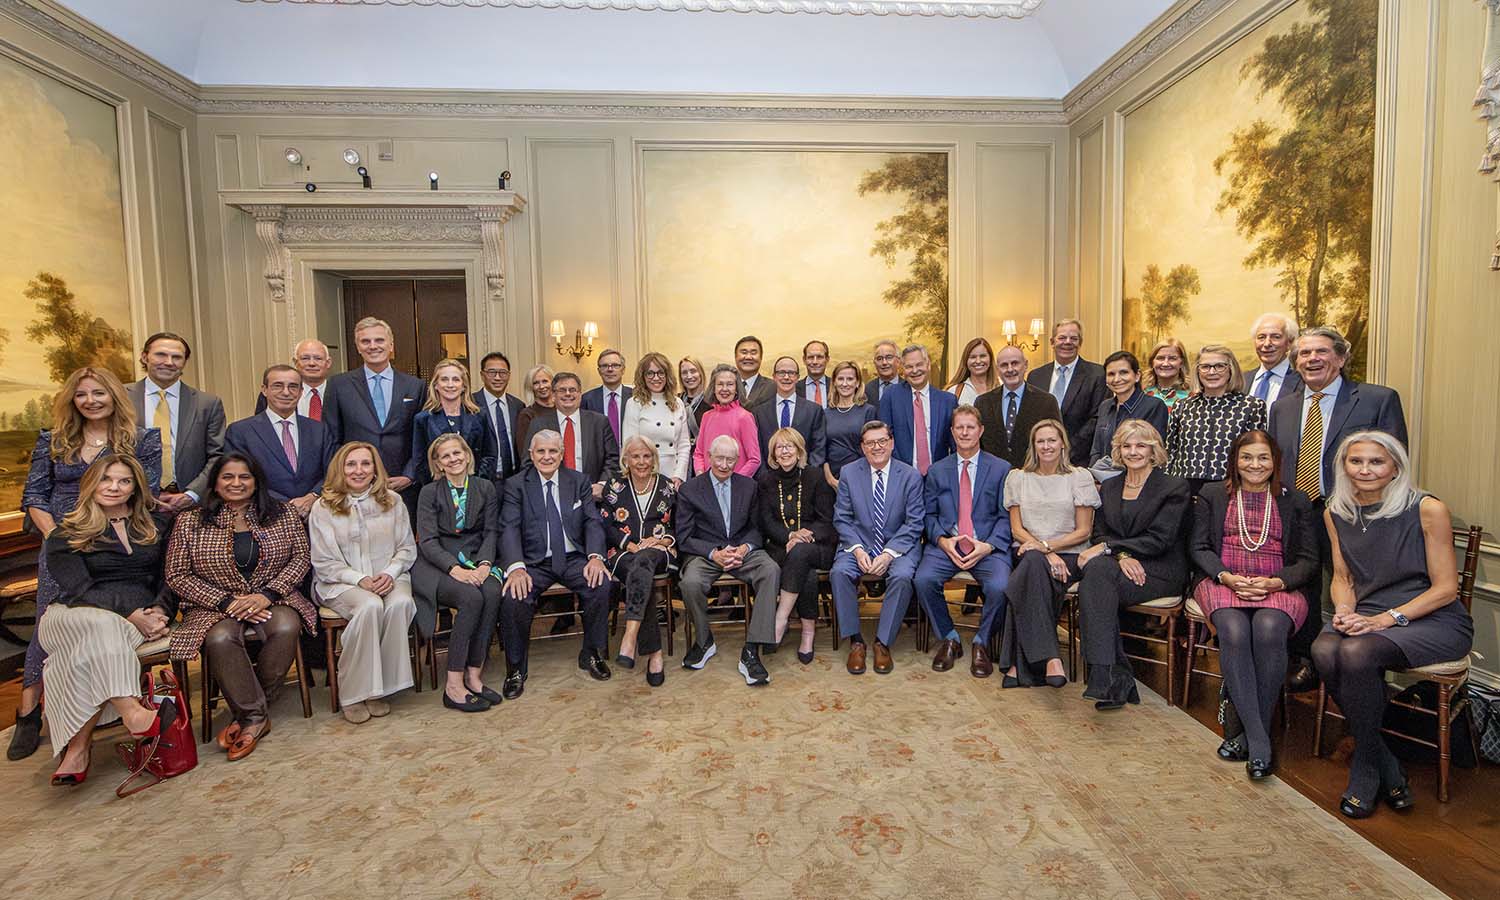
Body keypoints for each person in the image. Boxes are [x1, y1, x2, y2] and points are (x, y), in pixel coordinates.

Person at [1312, 431, 1471, 818]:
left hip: (1432, 618)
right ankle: (1386, 762)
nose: (1365, 470)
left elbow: (1447, 589)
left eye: (1376, 462)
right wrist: (1347, 611)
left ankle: (1365, 769)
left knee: (1354, 651)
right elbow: (1343, 577)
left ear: (1395, 467)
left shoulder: (1427, 508)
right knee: (1321, 648)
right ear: (1343, 466)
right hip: (1369, 614)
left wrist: (1384, 619)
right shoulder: (1335, 512)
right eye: (1356, 461)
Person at [10, 366, 162, 762]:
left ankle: (75, 746)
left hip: (118, 543)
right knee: (53, 622)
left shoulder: (140, 440)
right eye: (82, 395)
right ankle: (28, 709)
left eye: (99, 393)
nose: (91, 401)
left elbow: (147, 493)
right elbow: (35, 495)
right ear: (72, 400)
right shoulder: (55, 440)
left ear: (114, 396)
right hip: (65, 536)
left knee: (84, 637)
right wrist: (61, 539)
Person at [1270, 326, 1408, 689]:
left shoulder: (1377, 399)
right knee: (1305, 585)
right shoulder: (1282, 407)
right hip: (1300, 512)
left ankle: (1363, 665)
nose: (1312, 359)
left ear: (1342, 358)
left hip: (1357, 514)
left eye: (1321, 352)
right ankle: (1310, 660)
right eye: (1303, 354)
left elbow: (1395, 460)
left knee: (1360, 586)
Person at [166, 453, 317, 761]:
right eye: (228, 477)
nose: (236, 483)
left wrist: (267, 594)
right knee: (220, 638)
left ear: (256, 481)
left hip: (273, 598)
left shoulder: (282, 513)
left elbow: (301, 558)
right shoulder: (189, 521)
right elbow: (177, 574)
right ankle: (255, 716)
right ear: (215, 483)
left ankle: (249, 711)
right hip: (213, 604)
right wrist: (227, 602)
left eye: (244, 477)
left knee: (287, 626)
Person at [35, 455, 176, 786]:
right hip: (69, 618)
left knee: (87, 652)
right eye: (106, 479)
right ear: (90, 485)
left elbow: (169, 576)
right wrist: (132, 616)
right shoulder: (64, 533)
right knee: (102, 625)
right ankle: (132, 711)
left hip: (129, 623)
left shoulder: (155, 524)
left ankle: (78, 749)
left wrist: (161, 610)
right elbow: (80, 589)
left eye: (124, 481)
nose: (114, 487)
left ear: (135, 487)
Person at [1190, 430, 1318, 777]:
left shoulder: (1297, 500)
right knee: (1231, 629)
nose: (1254, 465)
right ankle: (1261, 741)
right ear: (1235, 460)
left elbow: (1308, 560)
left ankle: (1246, 734)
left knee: (1268, 627)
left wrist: (1276, 582)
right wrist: (1226, 577)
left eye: (1263, 458)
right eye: (1246, 457)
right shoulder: (1213, 494)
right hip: (1224, 580)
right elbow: (1199, 548)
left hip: (1277, 583)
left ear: (1276, 462)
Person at [1076, 421, 1190, 710]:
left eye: (1140, 445)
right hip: (1122, 566)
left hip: (1160, 569)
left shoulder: (1173, 487)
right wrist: (1122, 556)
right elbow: (1100, 532)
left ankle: (1107, 673)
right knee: (1097, 573)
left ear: (1154, 450)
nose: (1133, 451)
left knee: (1096, 579)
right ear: (1118, 450)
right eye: (1126, 446)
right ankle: (1109, 672)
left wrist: (1111, 548)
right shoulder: (1111, 486)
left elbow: (1161, 539)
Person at [308, 442, 418, 724]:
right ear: (340, 469)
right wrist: (361, 580)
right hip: (341, 582)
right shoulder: (323, 507)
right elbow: (324, 562)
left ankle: (381, 686)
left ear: (375, 469)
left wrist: (390, 573)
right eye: (351, 464)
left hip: (389, 576)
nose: (359, 470)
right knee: (369, 606)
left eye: (365, 464)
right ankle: (354, 692)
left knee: (402, 603)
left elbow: (406, 548)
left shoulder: (393, 501)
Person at [500, 430, 614, 696]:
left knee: (601, 585)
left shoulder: (578, 481)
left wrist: (596, 557)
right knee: (514, 597)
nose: (547, 456)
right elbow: (509, 528)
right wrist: (516, 567)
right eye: (541, 451)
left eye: (553, 451)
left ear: (562, 454)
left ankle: (592, 653)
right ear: (531, 454)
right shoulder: (517, 485)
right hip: (534, 562)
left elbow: (592, 522)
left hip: (574, 557)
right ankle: (516, 668)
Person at [997, 419, 1099, 688]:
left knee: (1025, 576)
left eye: (1052, 440)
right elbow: (1017, 529)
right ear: (1033, 445)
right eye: (1040, 441)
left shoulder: (1079, 477)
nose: (1046, 446)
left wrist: (1048, 549)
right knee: (1031, 564)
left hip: (1070, 555)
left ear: (1063, 443)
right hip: (1031, 550)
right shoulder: (1018, 477)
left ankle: (1019, 665)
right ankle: (1050, 657)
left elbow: (1084, 531)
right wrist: (1044, 552)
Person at [914, 406, 1013, 677]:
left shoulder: (1001, 469)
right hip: (947, 545)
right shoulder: (937, 470)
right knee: (922, 580)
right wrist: (942, 541)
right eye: (960, 427)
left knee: (1001, 586)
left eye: (970, 427)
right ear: (952, 432)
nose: (965, 432)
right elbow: (928, 514)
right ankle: (949, 637)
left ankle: (982, 642)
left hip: (987, 547)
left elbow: (1007, 517)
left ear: (980, 430)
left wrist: (989, 546)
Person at [674, 435, 780, 685]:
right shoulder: (690, 489)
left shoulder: (749, 486)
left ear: (737, 460)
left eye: (730, 459)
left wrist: (745, 547)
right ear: (709, 457)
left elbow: (758, 528)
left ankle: (752, 649)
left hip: (743, 552)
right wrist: (714, 553)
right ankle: (703, 640)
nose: (724, 464)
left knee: (771, 570)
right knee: (689, 583)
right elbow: (684, 536)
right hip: (706, 553)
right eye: (719, 458)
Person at [410, 434, 504, 711]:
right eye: (445, 456)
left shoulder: (485, 487)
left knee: (491, 591)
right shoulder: (428, 492)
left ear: (467, 455)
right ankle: (453, 686)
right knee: (471, 598)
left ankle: (474, 675)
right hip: (436, 563)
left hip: (476, 558)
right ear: (438, 464)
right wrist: (453, 569)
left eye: (457, 453)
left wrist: (486, 563)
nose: (453, 459)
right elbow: (426, 541)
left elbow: (491, 532)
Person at [830, 420, 924, 675]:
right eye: (870, 443)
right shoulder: (849, 473)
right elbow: (842, 518)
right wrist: (859, 550)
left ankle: (883, 642)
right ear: (862, 447)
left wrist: (888, 553)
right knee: (839, 573)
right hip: (858, 544)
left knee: (903, 576)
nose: (877, 447)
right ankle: (856, 641)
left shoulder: (911, 475)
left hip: (898, 546)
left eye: (882, 441)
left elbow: (915, 523)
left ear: (892, 443)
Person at [598, 436, 676, 687]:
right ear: (626, 459)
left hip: (659, 551)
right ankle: (654, 653)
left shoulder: (666, 486)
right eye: (635, 456)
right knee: (640, 573)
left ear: (653, 459)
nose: (641, 461)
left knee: (643, 564)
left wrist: (662, 542)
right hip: (623, 553)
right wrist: (630, 544)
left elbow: (679, 526)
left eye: (646, 456)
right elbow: (606, 525)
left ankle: (629, 637)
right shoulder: (614, 486)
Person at [321, 317, 425, 506]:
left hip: (402, 486)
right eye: (365, 341)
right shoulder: (338, 385)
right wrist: (346, 477)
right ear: (358, 347)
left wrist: (410, 476)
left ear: (391, 345)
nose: (372, 346)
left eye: (379, 340)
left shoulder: (415, 386)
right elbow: (331, 439)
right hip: (354, 487)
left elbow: (421, 438)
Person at [756, 427, 836, 664]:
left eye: (789, 446)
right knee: (805, 571)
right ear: (773, 454)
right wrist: (790, 535)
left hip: (818, 544)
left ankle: (780, 619)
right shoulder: (766, 480)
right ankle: (808, 632)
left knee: (801, 554)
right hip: (781, 546)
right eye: (779, 447)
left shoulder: (815, 477)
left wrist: (805, 535)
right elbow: (766, 521)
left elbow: (827, 520)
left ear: (799, 450)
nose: (784, 451)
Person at [127, 331, 226, 512]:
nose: (169, 362)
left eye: (177, 357)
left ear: (184, 363)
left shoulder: (207, 403)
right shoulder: (121, 397)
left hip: (191, 506)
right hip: (133, 504)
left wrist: (192, 494)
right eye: (161, 355)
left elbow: (217, 455)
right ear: (144, 357)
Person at [225, 364, 333, 518]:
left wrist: (312, 497)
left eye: (293, 387)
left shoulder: (319, 430)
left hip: (315, 515)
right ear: (264, 390)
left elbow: (332, 472)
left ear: (301, 392)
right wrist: (285, 507)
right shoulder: (240, 431)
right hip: (266, 517)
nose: (286, 392)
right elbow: (241, 477)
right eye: (278, 386)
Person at [1165, 344, 1267, 495]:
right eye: (1205, 367)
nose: (1212, 372)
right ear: (1198, 371)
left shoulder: (1251, 406)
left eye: (1220, 366)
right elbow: (1170, 453)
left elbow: (1256, 454)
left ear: (1231, 369)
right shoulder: (1182, 406)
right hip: (1184, 490)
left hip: (1229, 489)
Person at [524, 371, 619, 497]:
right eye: (562, 390)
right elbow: (528, 463)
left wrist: (602, 484)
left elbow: (612, 458)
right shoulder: (538, 424)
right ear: (553, 395)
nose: (568, 394)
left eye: (572, 390)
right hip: (552, 496)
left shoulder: (600, 422)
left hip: (591, 495)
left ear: (580, 394)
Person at [1026, 319, 1107, 465]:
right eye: (1062, 338)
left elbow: (1097, 418)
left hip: (1079, 459)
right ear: (1052, 342)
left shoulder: (1097, 374)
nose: (1067, 342)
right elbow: (1030, 417)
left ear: (1080, 343)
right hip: (1040, 459)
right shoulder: (1035, 376)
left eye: (1074, 338)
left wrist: (1066, 449)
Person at [975, 345, 1061, 471]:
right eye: (1004, 365)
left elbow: (1057, 441)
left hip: (1034, 476)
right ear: (998, 369)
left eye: (1015, 363)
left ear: (1025, 365)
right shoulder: (983, 403)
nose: (1010, 369)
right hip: (994, 478)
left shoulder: (1046, 402)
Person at [408, 358, 493, 485]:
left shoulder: (479, 416)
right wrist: (436, 487)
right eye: (444, 379)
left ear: (464, 386)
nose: (450, 384)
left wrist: (477, 483)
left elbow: (489, 455)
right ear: (436, 385)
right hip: (437, 490)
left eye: (456, 379)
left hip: (475, 488)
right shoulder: (423, 419)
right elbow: (419, 462)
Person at [1089, 351, 1169, 481]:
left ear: (1137, 376)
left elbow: (1155, 454)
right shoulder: (1105, 406)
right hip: (1104, 483)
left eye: (1123, 372)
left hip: (1139, 483)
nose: (1116, 379)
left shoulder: (1154, 406)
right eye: (1111, 374)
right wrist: (1094, 477)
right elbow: (1096, 449)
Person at [879, 344, 956, 477]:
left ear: (928, 365)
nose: (915, 370)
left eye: (919, 365)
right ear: (903, 369)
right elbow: (884, 437)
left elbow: (954, 444)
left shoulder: (948, 401)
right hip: (901, 476)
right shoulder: (891, 396)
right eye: (909, 367)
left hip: (939, 477)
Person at [621, 351, 692, 485]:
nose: (656, 378)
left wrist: (679, 475)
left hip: (672, 474)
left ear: (667, 375)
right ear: (643, 376)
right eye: (650, 373)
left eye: (660, 373)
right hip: (644, 473)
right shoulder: (634, 403)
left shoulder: (678, 403)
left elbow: (684, 445)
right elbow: (629, 444)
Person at [754, 356, 828, 470]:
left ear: (798, 377)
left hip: (804, 479)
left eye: (791, 373)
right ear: (774, 377)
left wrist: (807, 475)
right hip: (769, 481)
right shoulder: (759, 412)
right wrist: (765, 477)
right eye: (781, 373)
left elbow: (818, 449)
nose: (786, 377)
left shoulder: (814, 411)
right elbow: (757, 449)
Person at [693, 364, 761, 477]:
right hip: (708, 487)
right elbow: (698, 454)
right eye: (720, 384)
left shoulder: (745, 417)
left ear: (736, 389)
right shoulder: (707, 417)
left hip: (735, 488)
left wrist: (735, 483)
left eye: (730, 384)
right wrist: (701, 476)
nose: (724, 389)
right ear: (713, 389)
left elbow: (754, 459)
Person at [822, 361, 877, 489]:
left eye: (850, 379)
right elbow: (822, 449)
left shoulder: (868, 411)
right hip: (831, 480)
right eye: (840, 379)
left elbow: (872, 448)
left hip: (861, 478)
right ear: (834, 382)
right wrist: (830, 479)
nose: (845, 383)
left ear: (857, 383)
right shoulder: (825, 413)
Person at [474, 351, 524, 481]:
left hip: (514, 478)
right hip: (483, 479)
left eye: (503, 373)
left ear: (509, 375)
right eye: (492, 372)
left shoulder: (518, 405)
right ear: (482, 375)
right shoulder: (471, 404)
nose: (497, 377)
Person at [254, 338, 333, 420]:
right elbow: (260, 426)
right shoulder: (273, 394)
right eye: (305, 358)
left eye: (318, 358)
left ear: (328, 363)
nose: (311, 363)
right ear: (295, 362)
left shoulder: (341, 392)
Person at [1246, 313, 1303, 407]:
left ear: (1290, 342)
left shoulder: (1302, 381)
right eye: (1261, 337)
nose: (1267, 343)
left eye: (1276, 337)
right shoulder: (1242, 381)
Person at [581, 348, 633, 445]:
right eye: (604, 366)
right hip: (600, 457)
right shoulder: (587, 399)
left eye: (615, 365)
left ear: (623, 370)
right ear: (599, 371)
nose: (610, 369)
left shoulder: (635, 397)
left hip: (630, 455)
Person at [515, 364, 557, 461]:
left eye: (545, 381)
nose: (541, 386)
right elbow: (524, 452)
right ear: (531, 387)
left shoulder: (561, 410)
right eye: (536, 383)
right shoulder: (527, 415)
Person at [945, 337, 998, 406]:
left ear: (990, 359)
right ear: (966, 361)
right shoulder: (954, 392)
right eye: (973, 357)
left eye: (982, 356)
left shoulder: (1002, 390)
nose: (978, 361)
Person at [1142, 338, 1191, 411]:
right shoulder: (1142, 393)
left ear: (1181, 363)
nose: (1165, 363)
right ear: (1152, 362)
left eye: (1172, 358)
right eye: (1160, 358)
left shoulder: (1192, 396)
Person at [735, 335, 775, 410]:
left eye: (753, 353)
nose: (748, 357)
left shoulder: (773, 387)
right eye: (744, 352)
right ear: (736, 356)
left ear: (761, 357)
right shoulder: (726, 386)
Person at [679, 355, 711, 438]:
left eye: (693, 371)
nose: (689, 376)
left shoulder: (711, 402)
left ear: (701, 373)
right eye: (684, 373)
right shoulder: (676, 401)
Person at [865, 340, 902, 407]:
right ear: (874, 363)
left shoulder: (909, 388)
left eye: (889, 357)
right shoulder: (867, 390)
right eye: (879, 359)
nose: (884, 362)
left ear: (898, 361)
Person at [798, 340, 831, 406]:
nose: (815, 362)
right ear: (804, 360)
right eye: (810, 357)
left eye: (819, 357)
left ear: (827, 359)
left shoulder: (836, 386)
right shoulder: (795, 389)